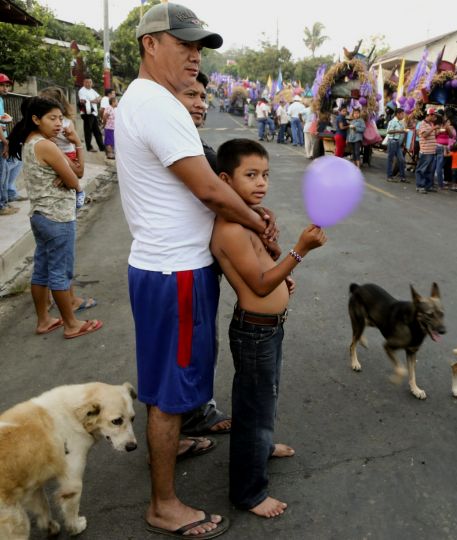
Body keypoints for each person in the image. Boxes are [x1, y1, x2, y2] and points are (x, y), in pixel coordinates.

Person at [116, 4, 276, 537]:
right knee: (170, 389)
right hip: (174, 274)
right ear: (149, 45)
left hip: (166, 268)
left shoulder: (146, 100)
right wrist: (260, 225)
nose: (194, 55)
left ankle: (175, 440)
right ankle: (163, 505)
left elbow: (207, 188)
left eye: (199, 46)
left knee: (172, 380)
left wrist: (250, 216)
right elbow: (208, 188)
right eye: (184, 44)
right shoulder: (159, 105)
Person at [211, 138, 326, 519]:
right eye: (250, 175)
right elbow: (259, 285)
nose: (261, 183)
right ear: (225, 179)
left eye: (265, 175)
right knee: (252, 409)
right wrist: (300, 250)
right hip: (254, 331)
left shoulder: (248, 218)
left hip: (270, 327)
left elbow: (267, 269)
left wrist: (279, 266)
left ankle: (262, 445)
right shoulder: (229, 229)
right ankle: (249, 493)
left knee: (266, 398)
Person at [7, 97, 103, 339]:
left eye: (60, 118)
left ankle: (44, 320)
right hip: (58, 217)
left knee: (41, 270)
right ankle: (71, 324)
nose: (59, 123)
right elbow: (74, 179)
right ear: (36, 119)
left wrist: (66, 175)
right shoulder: (46, 145)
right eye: (52, 118)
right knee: (61, 272)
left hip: (40, 215)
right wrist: (68, 177)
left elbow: (68, 176)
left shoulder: (29, 142)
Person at [172, 71, 235, 442]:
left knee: (199, 343)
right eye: (190, 94)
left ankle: (194, 408)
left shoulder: (191, 143)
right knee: (190, 347)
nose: (201, 103)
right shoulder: (185, 147)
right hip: (187, 265)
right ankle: (191, 414)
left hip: (200, 263)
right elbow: (217, 197)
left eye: (203, 96)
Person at [38, 86, 98, 312]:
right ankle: (69, 305)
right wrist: (78, 146)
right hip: (58, 210)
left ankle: (47, 305)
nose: (56, 122)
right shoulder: (55, 136)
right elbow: (78, 174)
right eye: (52, 117)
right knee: (61, 261)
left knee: (45, 259)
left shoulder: (34, 141)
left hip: (42, 210)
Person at [1, 73, 25, 215]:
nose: (5, 88)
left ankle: (8, 196)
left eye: (6, 85)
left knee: (15, 162)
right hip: (1, 140)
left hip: (3, 138)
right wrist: (5, 142)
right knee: (2, 173)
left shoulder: (1, 100)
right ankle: (2, 205)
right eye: (2, 85)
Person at [77, 77, 105, 154]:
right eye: (87, 82)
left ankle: (102, 147)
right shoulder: (82, 91)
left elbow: (100, 97)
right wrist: (94, 101)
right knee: (88, 131)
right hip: (87, 113)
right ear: (84, 83)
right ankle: (89, 147)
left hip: (94, 113)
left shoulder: (92, 90)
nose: (89, 84)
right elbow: (83, 101)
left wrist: (95, 100)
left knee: (97, 131)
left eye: (90, 82)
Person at [415, 108, 438, 193]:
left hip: (431, 151)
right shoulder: (422, 124)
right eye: (434, 115)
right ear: (430, 115)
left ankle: (427, 186)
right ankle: (420, 186)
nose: (435, 117)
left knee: (429, 170)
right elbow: (424, 135)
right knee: (422, 169)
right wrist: (433, 129)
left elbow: (431, 135)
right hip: (425, 151)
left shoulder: (431, 124)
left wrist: (435, 130)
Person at [433, 111, 455, 190]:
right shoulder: (437, 125)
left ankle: (433, 182)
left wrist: (447, 129)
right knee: (438, 166)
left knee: (436, 165)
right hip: (440, 147)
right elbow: (435, 134)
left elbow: (451, 135)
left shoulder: (446, 126)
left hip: (441, 147)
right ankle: (440, 184)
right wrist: (440, 130)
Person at [385, 107, 407, 182]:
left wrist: (404, 132)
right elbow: (389, 131)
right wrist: (400, 131)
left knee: (401, 160)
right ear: (397, 114)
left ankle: (402, 177)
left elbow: (402, 131)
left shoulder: (401, 122)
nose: (403, 116)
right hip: (392, 141)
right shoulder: (392, 122)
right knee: (390, 160)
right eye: (402, 114)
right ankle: (389, 176)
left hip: (398, 142)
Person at [102, 96, 117, 160]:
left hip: (113, 128)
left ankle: (111, 153)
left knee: (112, 141)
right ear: (113, 102)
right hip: (109, 127)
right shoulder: (109, 108)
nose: (117, 103)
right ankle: (109, 154)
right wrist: (104, 124)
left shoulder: (114, 109)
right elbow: (105, 117)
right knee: (109, 141)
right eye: (116, 101)